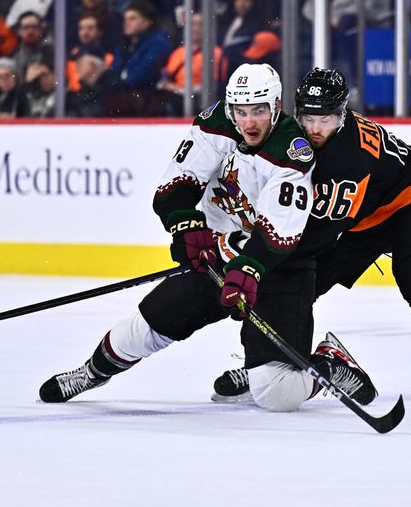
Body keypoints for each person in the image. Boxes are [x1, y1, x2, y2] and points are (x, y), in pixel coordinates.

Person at [38, 63, 378, 412]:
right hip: (217, 254)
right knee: (139, 331)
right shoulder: (216, 123)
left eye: (259, 111)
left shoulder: (292, 152)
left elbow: (279, 232)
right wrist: (185, 225)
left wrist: (249, 269)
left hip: (278, 266)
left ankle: (328, 363)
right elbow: (178, 183)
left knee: (276, 393)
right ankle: (91, 373)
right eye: (241, 111)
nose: (249, 122)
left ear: (276, 107)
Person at [212, 67, 411, 410]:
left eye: (327, 119)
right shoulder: (292, 137)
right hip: (361, 218)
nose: (315, 129)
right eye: (308, 117)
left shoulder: (349, 157)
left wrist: (258, 261)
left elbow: (317, 232)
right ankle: (269, 364)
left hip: (410, 202)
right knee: (299, 283)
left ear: (342, 113)